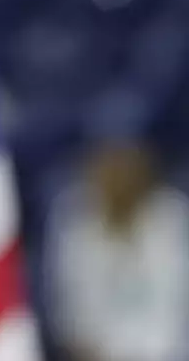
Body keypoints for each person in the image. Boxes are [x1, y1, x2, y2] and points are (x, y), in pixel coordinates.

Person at [46, 137, 189, 361]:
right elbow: (71, 309)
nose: (118, 179)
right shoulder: (75, 218)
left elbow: (176, 306)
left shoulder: (171, 217)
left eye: (126, 170)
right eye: (110, 170)